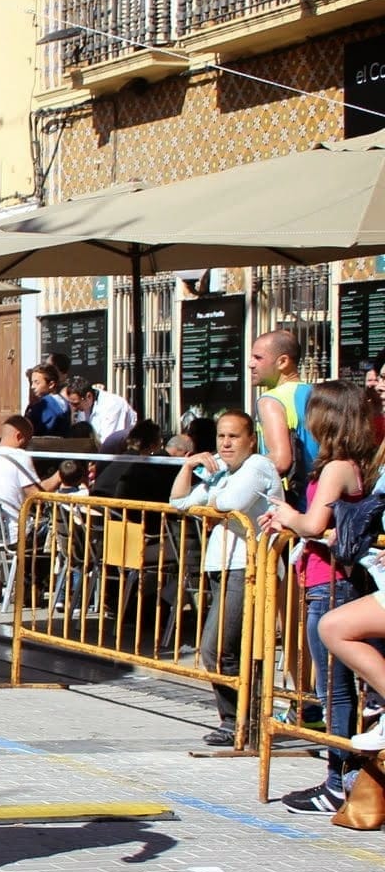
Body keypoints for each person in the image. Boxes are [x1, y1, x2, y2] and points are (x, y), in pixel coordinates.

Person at [263, 380, 376, 813]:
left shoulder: (336, 468)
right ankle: (344, 778)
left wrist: (287, 514)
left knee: (335, 691)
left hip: (329, 583)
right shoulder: (357, 464)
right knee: (338, 689)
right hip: (330, 580)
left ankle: (338, 781)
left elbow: (313, 525)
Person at [170, 410, 282, 748]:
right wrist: (188, 466)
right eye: (221, 436)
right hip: (223, 566)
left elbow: (231, 503)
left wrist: (211, 498)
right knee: (231, 648)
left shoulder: (258, 466)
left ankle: (242, 721)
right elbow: (179, 502)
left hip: (249, 567)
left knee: (218, 648)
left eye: (234, 436)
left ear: (251, 440)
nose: (226, 443)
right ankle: (240, 721)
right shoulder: (223, 471)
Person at [251, 328, 316, 503]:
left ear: (283, 362)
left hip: (291, 505)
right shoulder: (317, 394)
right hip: (322, 502)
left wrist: (240, 469)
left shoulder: (270, 400)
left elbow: (280, 460)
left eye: (258, 358)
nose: (250, 364)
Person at [65, 376, 137, 452]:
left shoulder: (112, 405)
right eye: (71, 403)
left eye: (76, 404)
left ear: (88, 396)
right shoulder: (85, 404)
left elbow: (109, 443)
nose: (74, 408)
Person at [25, 363, 70, 439]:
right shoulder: (65, 403)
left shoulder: (42, 405)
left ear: (51, 384)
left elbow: (27, 430)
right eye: (32, 383)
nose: (32, 387)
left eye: (37, 382)